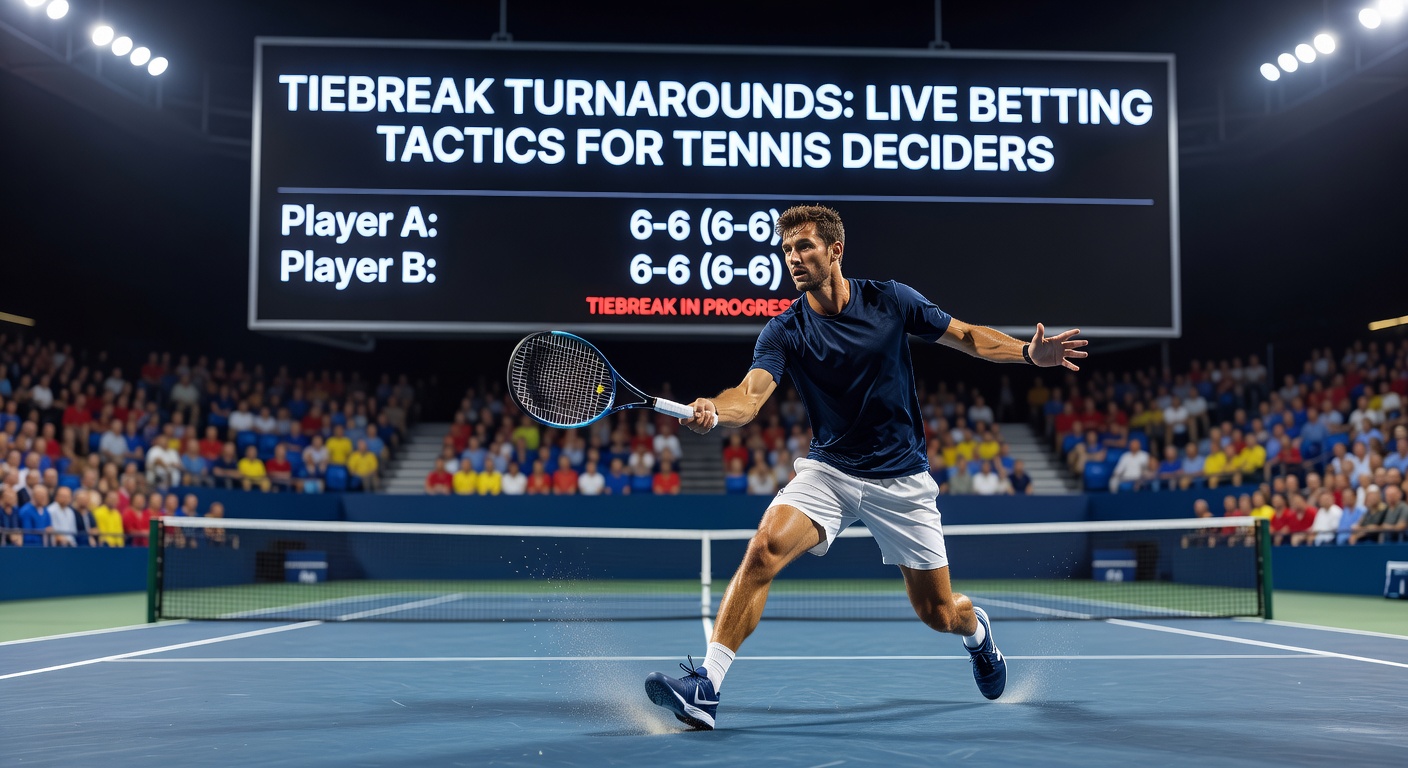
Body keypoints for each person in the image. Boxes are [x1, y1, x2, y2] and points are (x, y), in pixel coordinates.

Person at [644, 205, 1087, 729]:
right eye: (786, 250)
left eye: (804, 246)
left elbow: (966, 335)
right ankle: (708, 687)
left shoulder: (891, 300)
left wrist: (1027, 355)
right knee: (764, 548)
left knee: (938, 613)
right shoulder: (785, 330)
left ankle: (978, 633)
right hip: (830, 471)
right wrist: (716, 410)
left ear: (835, 251)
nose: (793, 258)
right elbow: (749, 396)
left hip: (902, 479)